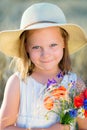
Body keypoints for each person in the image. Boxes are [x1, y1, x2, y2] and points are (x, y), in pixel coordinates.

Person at [0, 2, 87, 130]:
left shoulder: (75, 85)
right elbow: (4, 126)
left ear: (64, 42)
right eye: (36, 47)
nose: (45, 54)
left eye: (53, 45)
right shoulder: (18, 83)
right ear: (26, 48)